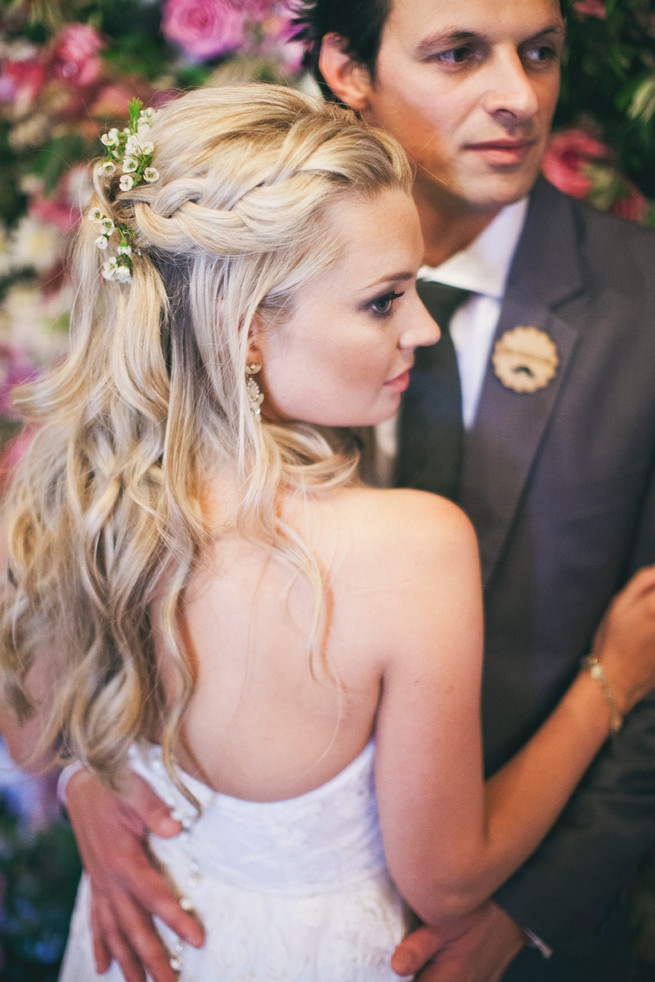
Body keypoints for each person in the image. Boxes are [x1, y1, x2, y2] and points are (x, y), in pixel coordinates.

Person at [2, 81, 655, 982]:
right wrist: (608, 679)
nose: (422, 327)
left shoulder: (66, 494)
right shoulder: (413, 545)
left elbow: (33, 739)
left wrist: (86, 781)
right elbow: (452, 881)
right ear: (246, 331)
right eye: (384, 300)